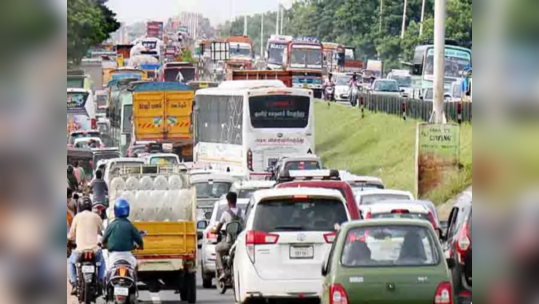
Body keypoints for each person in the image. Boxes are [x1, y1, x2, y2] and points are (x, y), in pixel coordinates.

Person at [67, 197, 105, 295]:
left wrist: (70, 240)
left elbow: (71, 236)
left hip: (80, 252)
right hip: (94, 251)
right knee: (101, 261)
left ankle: (74, 284)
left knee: (70, 263)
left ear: (79, 206)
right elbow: (103, 231)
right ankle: (100, 280)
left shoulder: (77, 217)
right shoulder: (96, 216)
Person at [102, 198, 144, 273]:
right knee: (135, 266)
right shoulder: (130, 225)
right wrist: (140, 246)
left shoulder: (111, 225)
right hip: (128, 256)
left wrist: (105, 246)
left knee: (107, 272)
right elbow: (139, 239)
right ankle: (134, 281)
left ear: (115, 211)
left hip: (114, 257)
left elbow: (103, 240)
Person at [213, 192, 243, 280]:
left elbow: (218, 229)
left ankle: (222, 271)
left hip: (229, 243)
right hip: (239, 243)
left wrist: (214, 231)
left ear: (228, 201)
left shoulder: (225, 213)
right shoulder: (242, 213)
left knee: (217, 249)